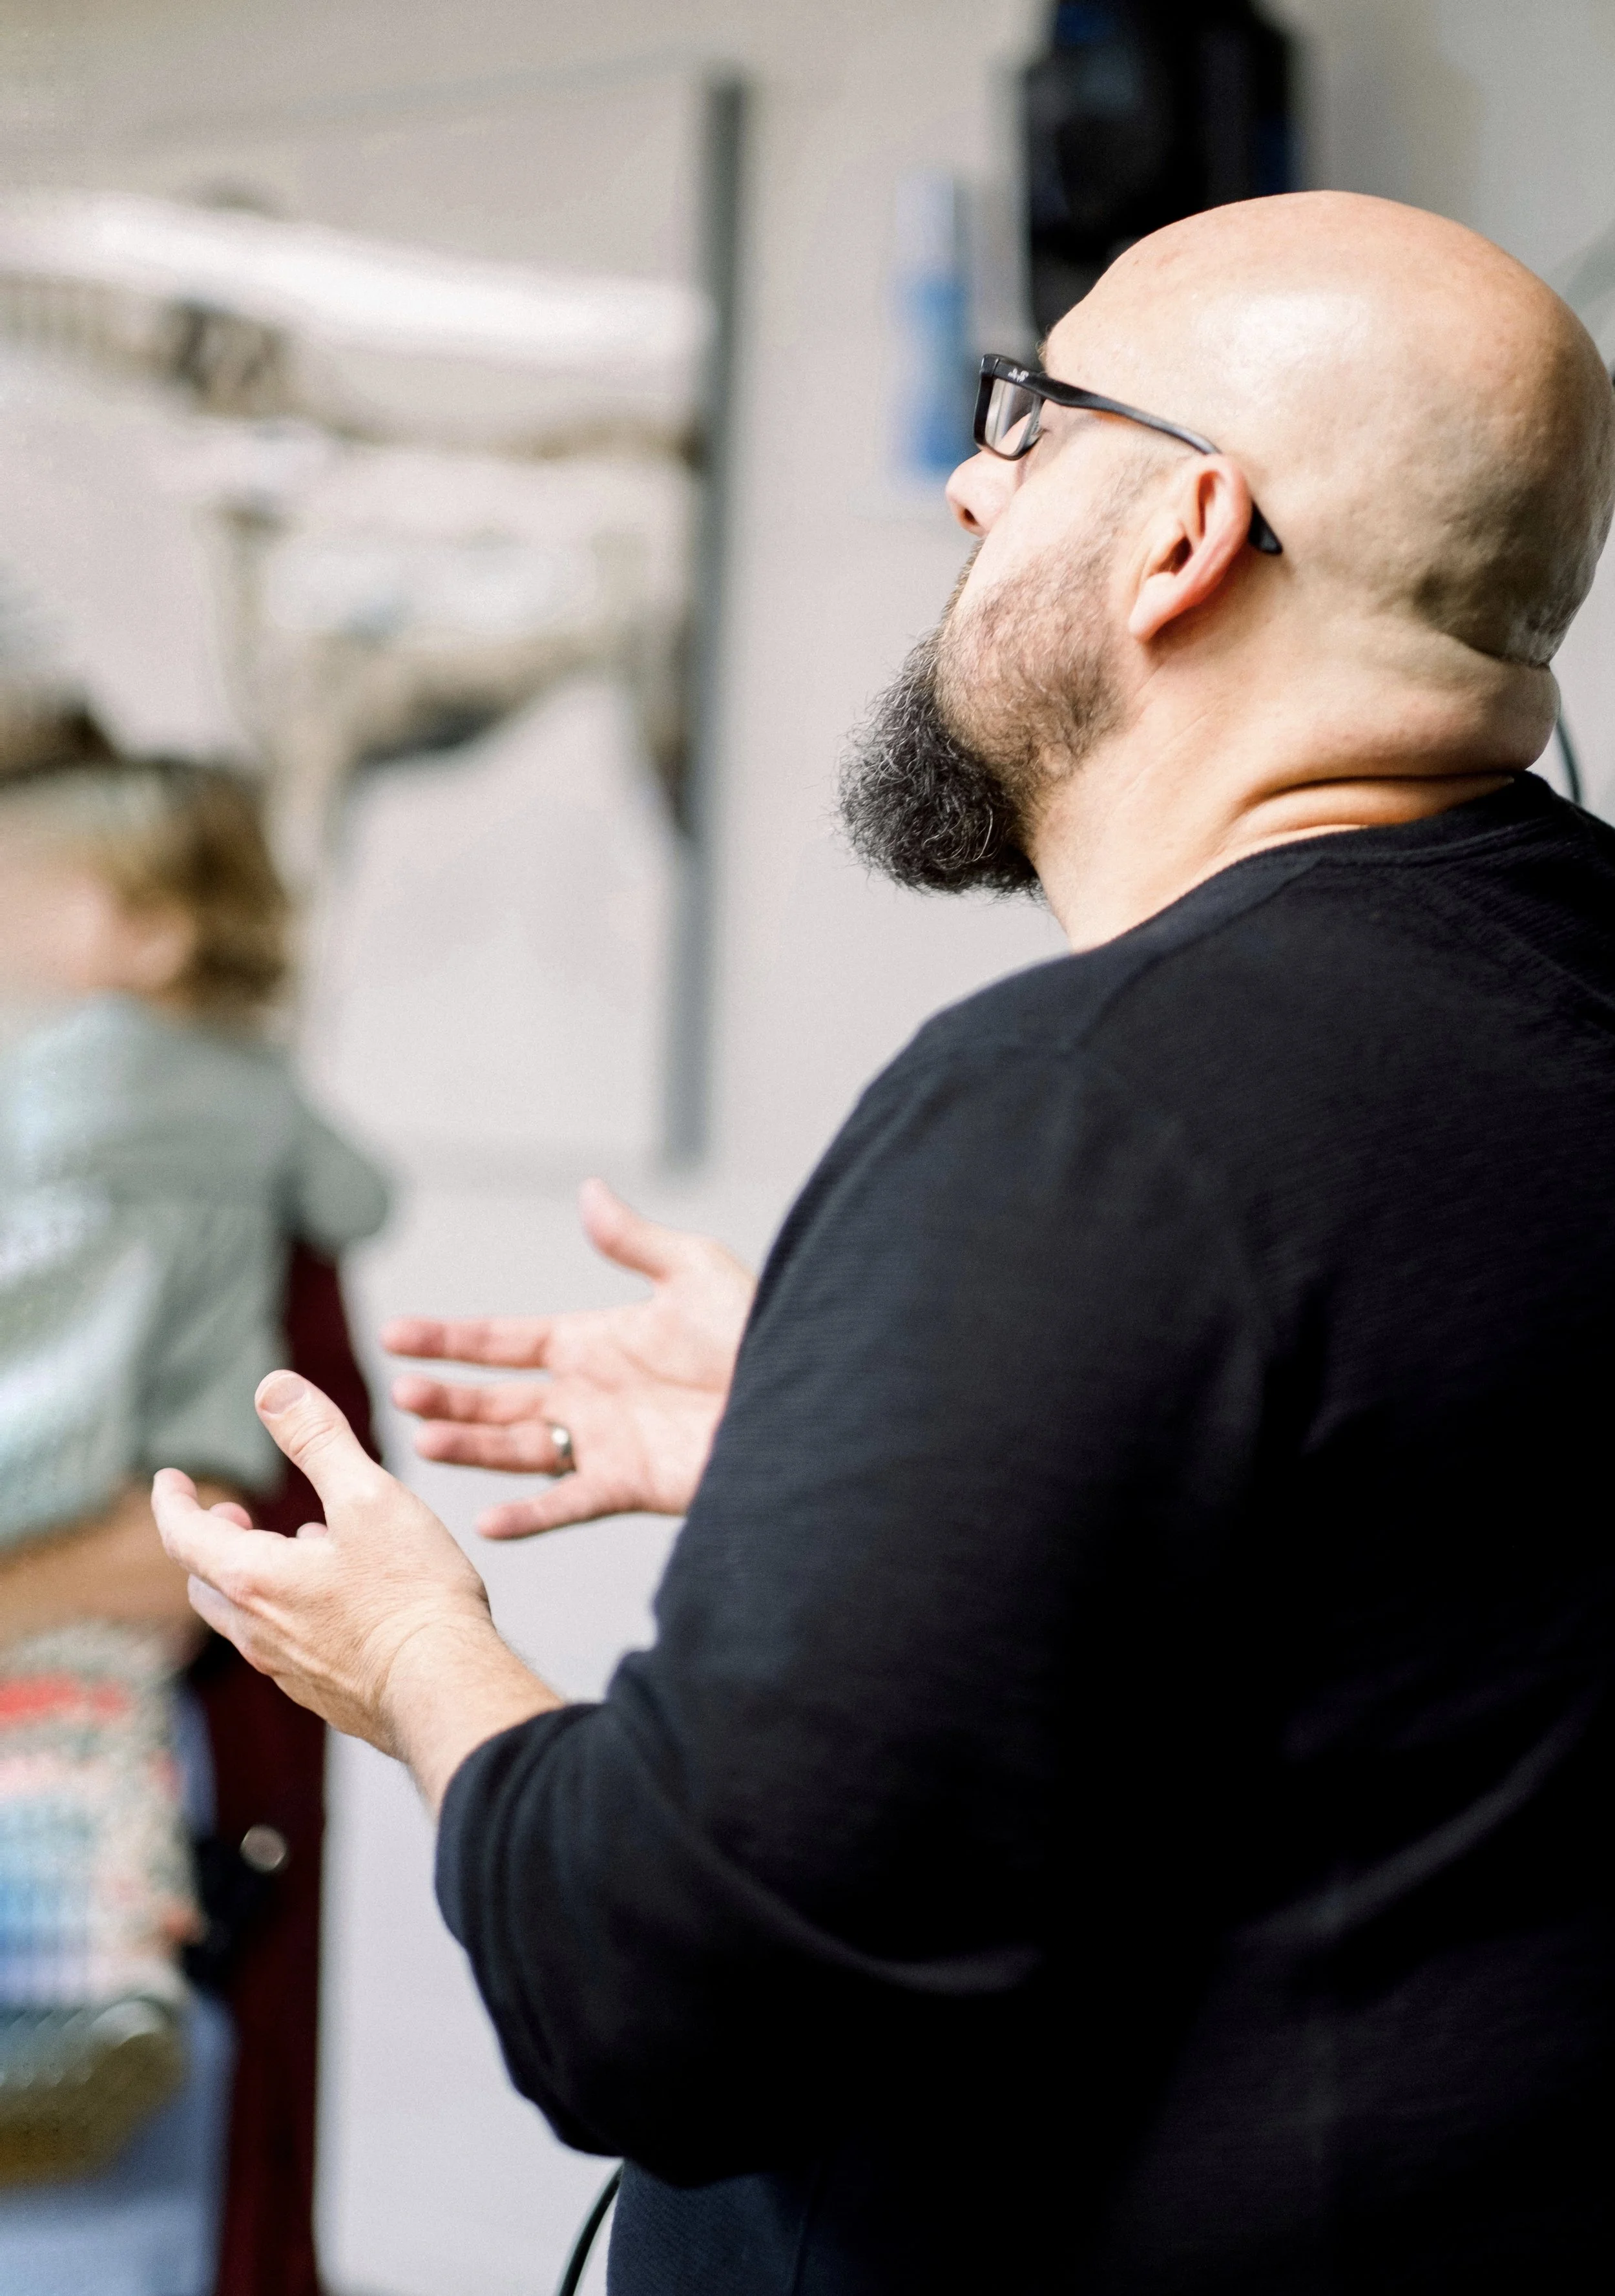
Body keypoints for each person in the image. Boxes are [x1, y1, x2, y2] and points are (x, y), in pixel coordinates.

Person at [154, 189, 1615, 2294]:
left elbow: (660, 1991)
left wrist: (410, 1655)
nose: (965, 479)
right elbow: (1392, 1611)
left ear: (1186, 533)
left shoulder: (1094, 1100)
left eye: (1033, 420)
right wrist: (857, 1433)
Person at [0, 727, 386, 2280]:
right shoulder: (252, 1106)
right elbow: (363, 1186)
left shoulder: (76, 1111)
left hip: (129, 1748)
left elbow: (239, 1548)